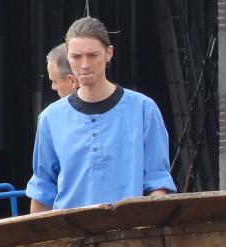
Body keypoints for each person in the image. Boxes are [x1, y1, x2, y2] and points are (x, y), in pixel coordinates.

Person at [27, 17, 176, 212]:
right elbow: (43, 190)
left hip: (130, 233)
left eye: (92, 55)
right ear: (68, 56)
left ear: (109, 53)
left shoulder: (144, 110)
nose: (85, 64)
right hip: (71, 237)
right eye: (76, 57)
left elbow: (157, 182)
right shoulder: (50, 119)